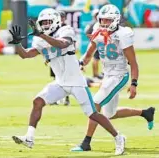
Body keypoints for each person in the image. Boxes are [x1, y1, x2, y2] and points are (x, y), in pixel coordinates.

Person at [9, 8, 125, 155]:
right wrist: (17, 44)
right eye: (43, 22)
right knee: (37, 101)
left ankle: (118, 136)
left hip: (76, 83)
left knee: (93, 114)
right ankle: (29, 138)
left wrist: (42, 36)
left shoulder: (66, 30)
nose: (45, 25)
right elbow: (25, 55)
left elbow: (62, 44)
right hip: (60, 83)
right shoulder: (40, 38)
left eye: (48, 22)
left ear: (56, 21)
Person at [71, 4, 155, 152]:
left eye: (108, 20)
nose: (104, 23)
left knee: (94, 104)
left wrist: (134, 83)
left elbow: (133, 63)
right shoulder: (98, 30)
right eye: (102, 20)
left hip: (120, 75)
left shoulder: (123, 34)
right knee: (110, 114)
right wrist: (81, 62)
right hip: (108, 75)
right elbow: (90, 52)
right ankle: (145, 113)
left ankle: (87, 142)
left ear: (115, 20)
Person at [84, 9, 103, 81]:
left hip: (99, 43)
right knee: (95, 59)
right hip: (97, 43)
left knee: (97, 59)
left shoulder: (94, 23)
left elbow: (86, 32)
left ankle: (96, 74)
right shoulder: (94, 24)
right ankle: (95, 74)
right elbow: (87, 32)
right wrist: (93, 39)